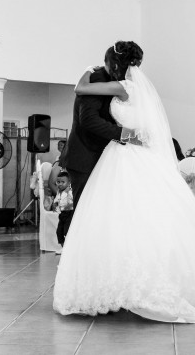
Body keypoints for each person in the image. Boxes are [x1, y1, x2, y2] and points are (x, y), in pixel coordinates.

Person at [54, 41, 195, 323]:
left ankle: (118, 286)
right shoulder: (135, 86)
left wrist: (127, 136)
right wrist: (130, 136)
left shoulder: (109, 82)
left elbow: (82, 95)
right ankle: (116, 284)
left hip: (118, 155)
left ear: (113, 61)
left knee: (108, 221)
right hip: (104, 157)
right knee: (114, 220)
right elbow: (90, 119)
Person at [57, 51, 136, 245]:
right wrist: (126, 134)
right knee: (86, 211)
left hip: (112, 155)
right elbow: (89, 120)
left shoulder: (126, 83)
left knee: (108, 210)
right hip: (86, 154)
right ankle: (81, 258)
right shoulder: (98, 77)